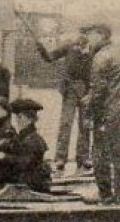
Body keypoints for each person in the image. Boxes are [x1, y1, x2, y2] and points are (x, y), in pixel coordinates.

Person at [84, 22, 120, 205]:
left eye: (91, 34)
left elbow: (98, 91)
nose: (88, 38)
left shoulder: (100, 57)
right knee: (118, 154)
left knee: (99, 154)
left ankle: (105, 195)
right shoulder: (118, 53)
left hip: (106, 113)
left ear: (101, 35)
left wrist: (89, 114)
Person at [36, 31, 94, 171]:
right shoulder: (68, 46)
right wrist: (41, 48)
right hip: (70, 90)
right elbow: (50, 57)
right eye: (82, 34)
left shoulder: (93, 51)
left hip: (87, 91)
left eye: (87, 35)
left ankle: (84, 157)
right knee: (65, 123)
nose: (83, 38)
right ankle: (60, 158)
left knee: (84, 125)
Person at [0, 97, 52, 193]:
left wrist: (5, 157)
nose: (18, 121)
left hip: (29, 183)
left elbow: (25, 163)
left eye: (20, 117)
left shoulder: (33, 140)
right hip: (22, 179)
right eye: (17, 117)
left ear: (29, 119)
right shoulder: (21, 137)